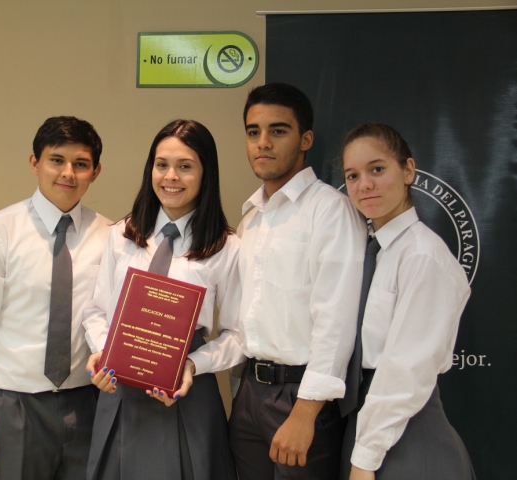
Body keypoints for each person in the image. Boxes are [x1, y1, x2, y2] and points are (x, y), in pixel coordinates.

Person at [0, 116, 110, 480]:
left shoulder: (111, 236)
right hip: (14, 404)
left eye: (80, 164)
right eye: (56, 160)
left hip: (87, 402)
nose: (68, 173)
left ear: (95, 172)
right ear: (34, 163)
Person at [83, 119, 242, 480]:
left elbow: (238, 336)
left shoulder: (226, 247)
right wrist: (104, 352)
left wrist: (192, 366)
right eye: (161, 165)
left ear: (206, 173)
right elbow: (96, 310)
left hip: (187, 391)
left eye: (185, 167)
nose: (171, 177)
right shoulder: (121, 235)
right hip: (119, 388)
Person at [228, 83, 367, 480]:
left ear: (305, 138)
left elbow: (337, 320)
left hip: (301, 397)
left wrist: (306, 412)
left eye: (278, 130)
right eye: (253, 132)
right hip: (249, 394)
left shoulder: (330, 210)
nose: (263, 143)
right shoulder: (251, 218)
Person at [339, 123, 475, 480]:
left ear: (409, 170)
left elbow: (405, 370)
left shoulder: (422, 256)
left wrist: (364, 459)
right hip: (367, 428)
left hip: (407, 438)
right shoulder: (376, 252)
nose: (363, 184)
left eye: (377, 169)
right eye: (352, 175)